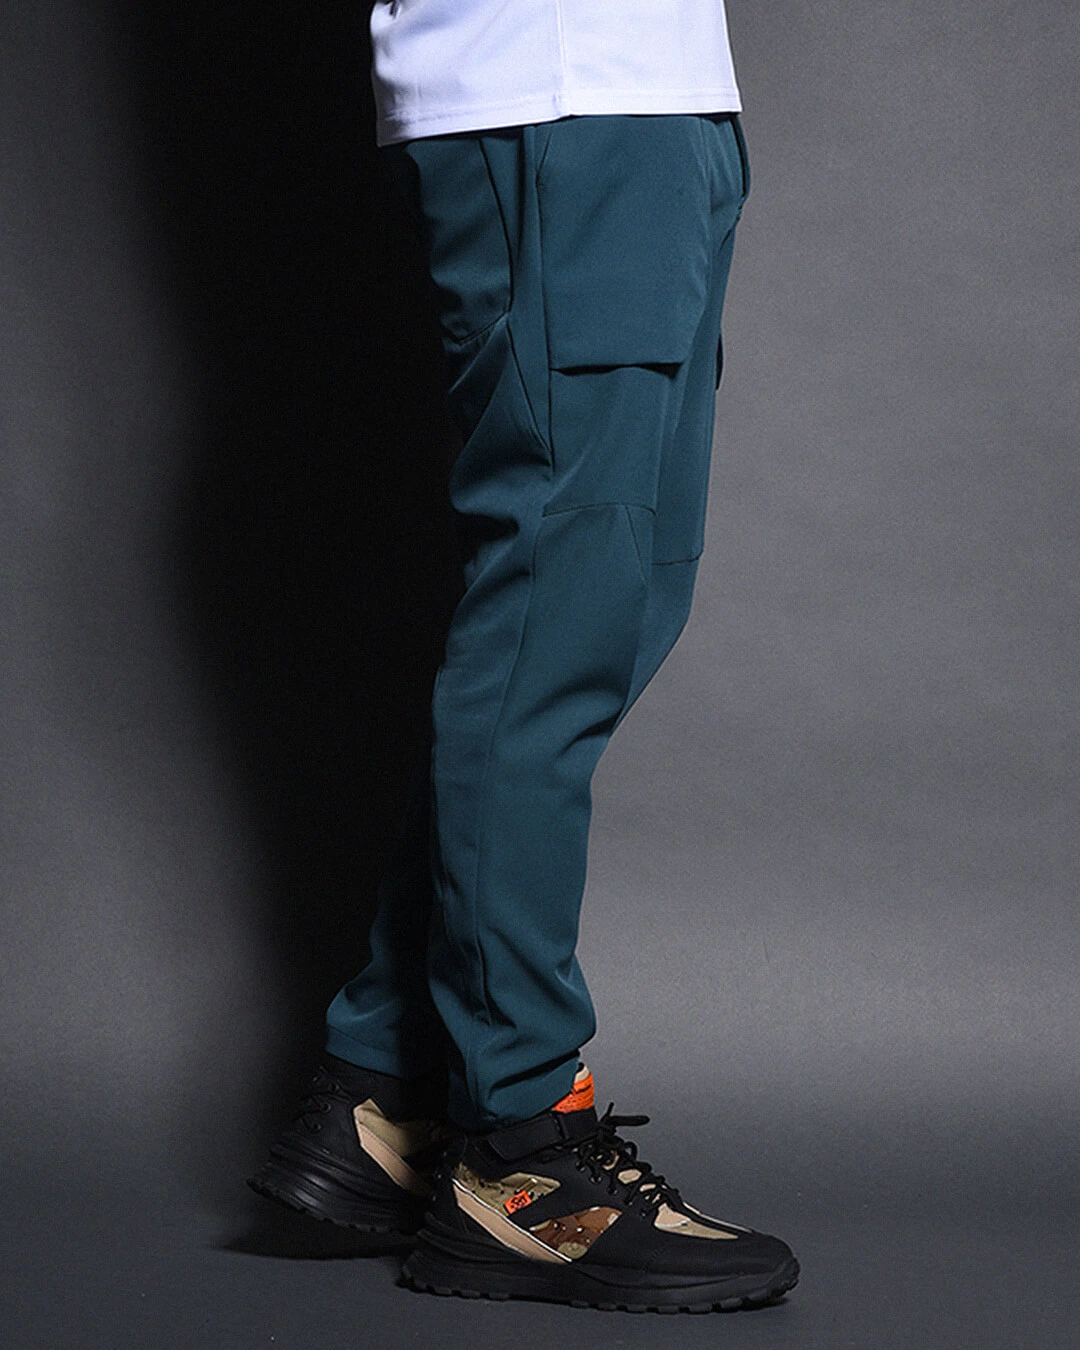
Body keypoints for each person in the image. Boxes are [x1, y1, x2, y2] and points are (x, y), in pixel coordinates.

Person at [249, 0, 799, 1312]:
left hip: (652, 97)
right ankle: (521, 1151)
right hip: (554, 93)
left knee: (620, 599)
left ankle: (386, 1090)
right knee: (556, 616)